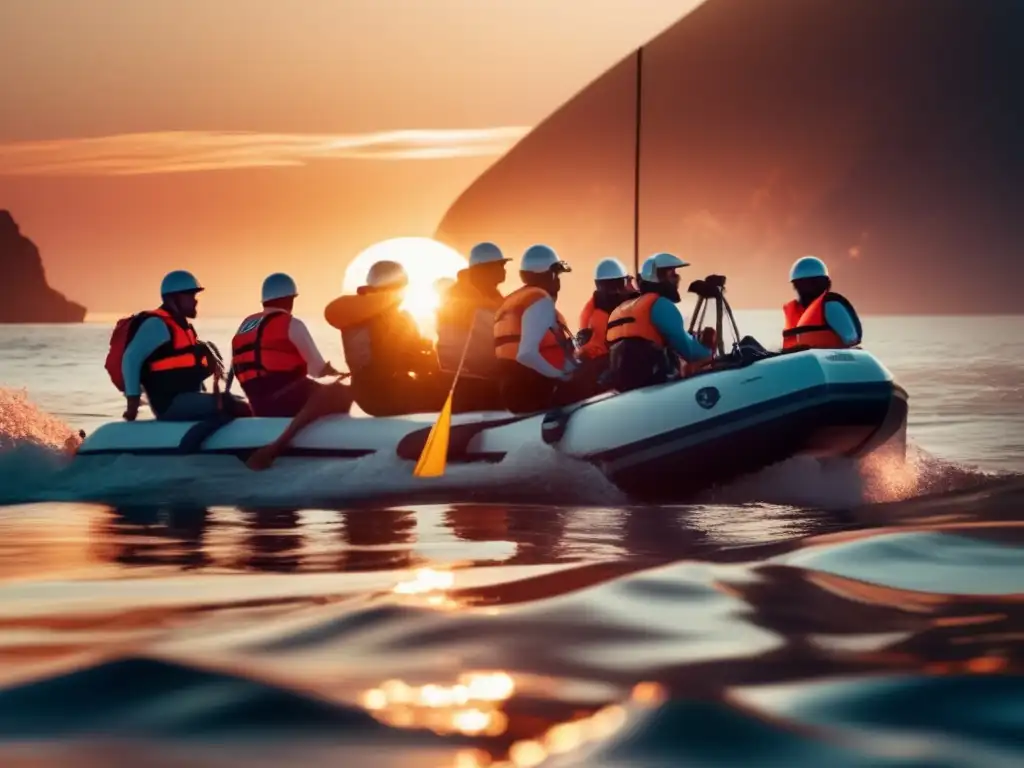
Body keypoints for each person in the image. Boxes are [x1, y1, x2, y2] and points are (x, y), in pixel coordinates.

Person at [233, 273, 354, 471]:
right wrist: (340, 372)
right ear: (290, 299)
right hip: (283, 402)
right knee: (339, 392)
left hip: (256, 404)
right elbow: (318, 370)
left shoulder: (245, 326)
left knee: (318, 391)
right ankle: (279, 447)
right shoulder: (291, 323)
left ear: (265, 300)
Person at [117, 270, 251, 421]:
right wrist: (132, 406)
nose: (195, 301)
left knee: (240, 401)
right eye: (190, 295)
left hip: (189, 398)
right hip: (171, 404)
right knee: (235, 405)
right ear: (173, 298)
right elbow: (130, 359)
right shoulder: (157, 325)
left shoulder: (183, 327)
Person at [325, 260, 450, 416]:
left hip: (366, 395)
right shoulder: (395, 319)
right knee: (453, 394)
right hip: (388, 396)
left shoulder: (355, 315)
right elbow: (410, 361)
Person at [493, 244, 593, 414]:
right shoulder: (540, 301)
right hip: (531, 389)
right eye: (556, 275)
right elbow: (526, 354)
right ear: (549, 275)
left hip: (512, 388)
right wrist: (559, 376)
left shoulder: (512, 302)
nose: (558, 281)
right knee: (593, 375)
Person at [606, 252, 716, 392]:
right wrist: (709, 349)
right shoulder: (660, 305)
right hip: (653, 387)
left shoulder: (622, 308)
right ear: (658, 278)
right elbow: (690, 351)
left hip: (624, 388)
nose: (678, 278)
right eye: (673, 274)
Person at [435, 241, 509, 411]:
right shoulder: (468, 304)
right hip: (471, 381)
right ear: (484, 269)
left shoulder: (486, 297)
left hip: (475, 375)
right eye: (500, 265)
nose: (504, 270)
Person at [576, 257, 639, 389]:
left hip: (591, 365)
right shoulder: (628, 305)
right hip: (614, 366)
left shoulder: (590, 308)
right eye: (627, 280)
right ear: (622, 282)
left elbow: (583, 334)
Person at [782, 256, 863, 350]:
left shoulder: (830, 305)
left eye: (813, 283)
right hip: (803, 361)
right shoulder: (796, 310)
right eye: (803, 284)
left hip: (835, 358)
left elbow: (851, 339)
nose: (808, 288)